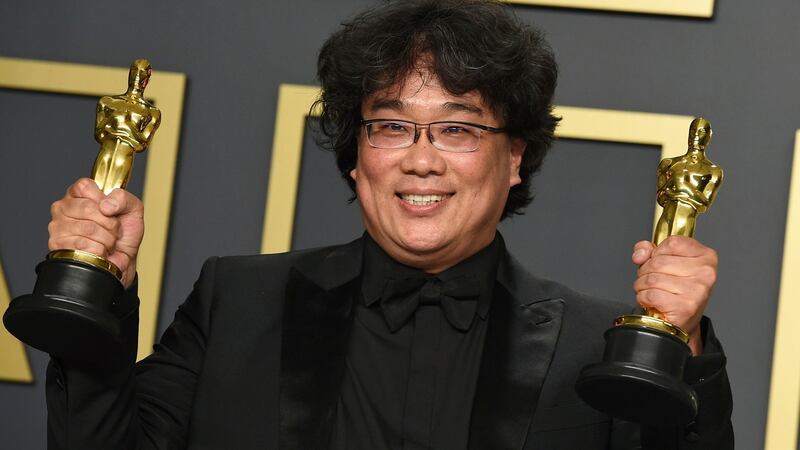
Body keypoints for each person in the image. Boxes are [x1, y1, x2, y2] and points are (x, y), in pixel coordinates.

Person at [43, 1, 732, 448]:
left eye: (458, 128)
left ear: (515, 156)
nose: (421, 161)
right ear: (356, 155)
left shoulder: (594, 343)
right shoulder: (236, 302)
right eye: (393, 125)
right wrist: (96, 291)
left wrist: (686, 346)